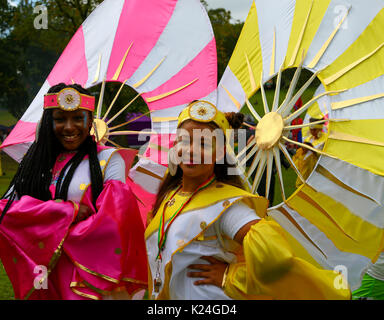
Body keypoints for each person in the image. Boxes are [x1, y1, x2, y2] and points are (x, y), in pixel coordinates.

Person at [145, 100, 350, 300]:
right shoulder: (171, 194)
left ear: (220, 153)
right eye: (184, 141)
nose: (191, 150)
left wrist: (231, 277)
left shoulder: (227, 206)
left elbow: (274, 258)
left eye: (204, 144)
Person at [0, 83, 147, 300]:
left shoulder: (108, 160)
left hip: (89, 281)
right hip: (42, 280)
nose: (69, 127)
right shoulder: (35, 161)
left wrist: (41, 226)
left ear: (90, 121)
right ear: (49, 122)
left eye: (78, 118)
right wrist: (66, 212)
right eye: (60, 119)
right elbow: (5, 213)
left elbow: (115, 224)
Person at [292, 117, 326, 188]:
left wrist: (312, 149)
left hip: (316, 170)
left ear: (320, 129)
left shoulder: (325, 139)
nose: (312, 131)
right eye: (311, 130)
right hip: (304, 167)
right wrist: (303, 149)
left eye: (314, 130)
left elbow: (325, 154)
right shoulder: (308, 138)